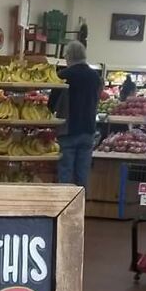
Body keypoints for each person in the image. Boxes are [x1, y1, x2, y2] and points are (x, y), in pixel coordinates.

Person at [48, 40, 101, 191]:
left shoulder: (63, 75)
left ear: (69, 56)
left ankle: (65, 208)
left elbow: (51, 105)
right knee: (82, 174)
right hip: (88, 130)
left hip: (68, 130)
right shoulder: (95, 77)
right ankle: (81, 208)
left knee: (65, 173)